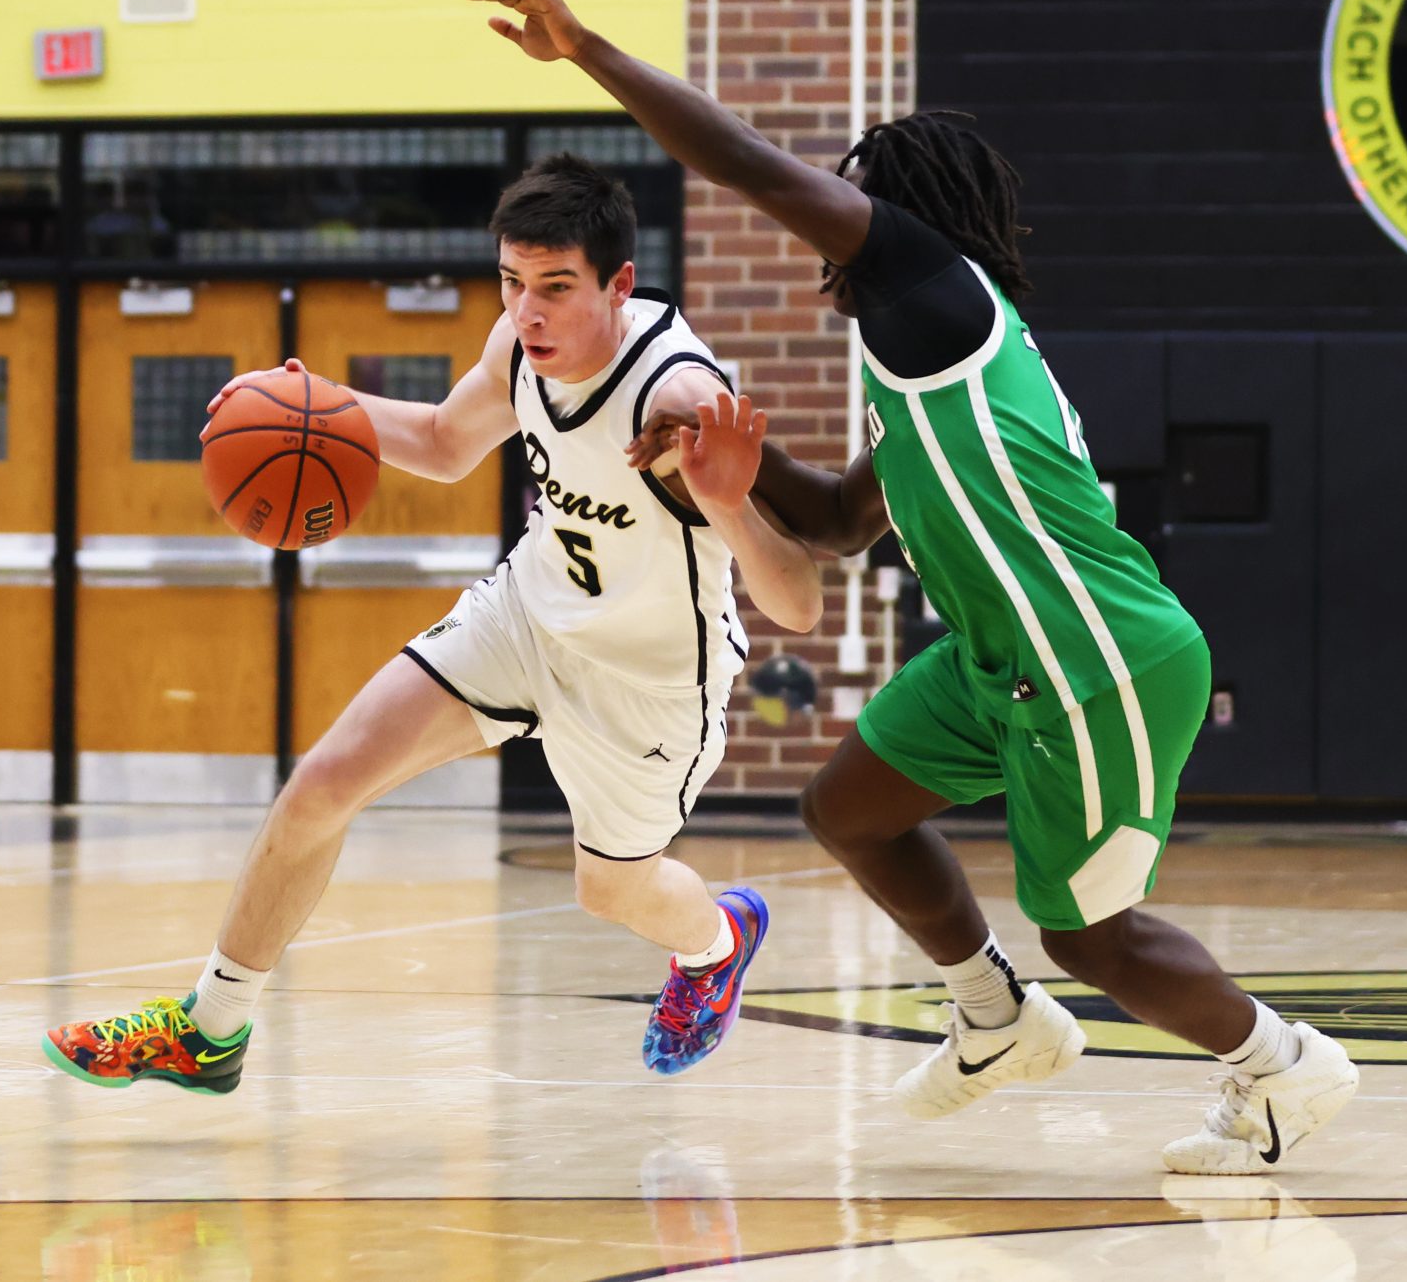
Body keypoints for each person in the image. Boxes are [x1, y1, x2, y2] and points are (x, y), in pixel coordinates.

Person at [467, 0, 1360, 1177]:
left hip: (1093, 654)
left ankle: (1284, 1065)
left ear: (890, 219)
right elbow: (840, 522)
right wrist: (724, 457)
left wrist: (588, 51)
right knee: (848, 808)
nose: (831, 225)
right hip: (1000, 659)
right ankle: (994, 1017)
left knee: (1089, 938)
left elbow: (744, 165)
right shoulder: (928, 369)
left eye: (852, 200)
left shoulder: (932, 288)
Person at [44, 153, 823, 1090]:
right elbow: (449, 443)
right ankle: (210, 1031)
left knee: (611, 889)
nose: (527, 312)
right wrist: (309, 406)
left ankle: (717, 941)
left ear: (619, 284)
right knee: (322, 785)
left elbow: (799, 603)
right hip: (526, 618)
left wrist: (730, 503)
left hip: (646, 682)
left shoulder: (678, 400)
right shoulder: (519, 346)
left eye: (555, 287)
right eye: (511, 282)